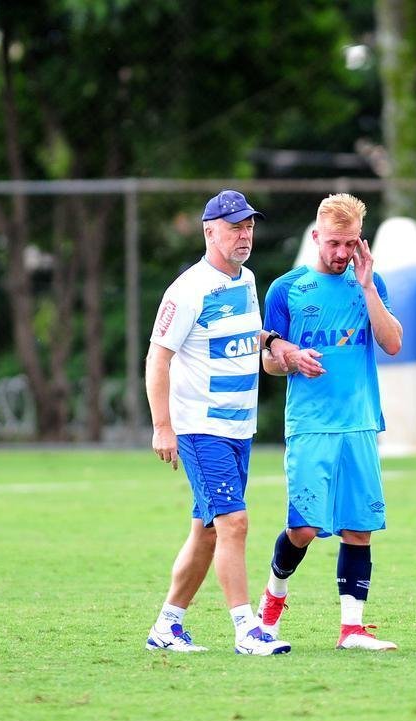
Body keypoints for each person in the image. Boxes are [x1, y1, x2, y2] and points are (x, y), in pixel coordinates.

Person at [143, 189, 290, 656]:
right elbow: (156, 358)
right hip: (200, 427)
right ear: (210, 232)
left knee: (206, 530)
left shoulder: (247, 280)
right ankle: (247, 631)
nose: (244, 235)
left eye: (249, 226)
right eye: (234, 227)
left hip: (238, 429)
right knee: (234, 522)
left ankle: (167, 626)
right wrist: (162, 426)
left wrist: (273, 344)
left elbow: (248, 338)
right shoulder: (188, 289)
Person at [256, 193, 403, 651]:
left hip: (359, 423)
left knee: (359, 527)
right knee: (303, 529)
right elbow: (268, 361)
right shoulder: (287, 289)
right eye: (335, 243)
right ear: (316, 237)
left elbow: (393, 343)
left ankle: (352, 630)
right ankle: (270, 607)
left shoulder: (369, 284)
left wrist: (368, 287)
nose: (342, 253)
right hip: (311, 426)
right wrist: (292, 358)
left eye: (351, 244)